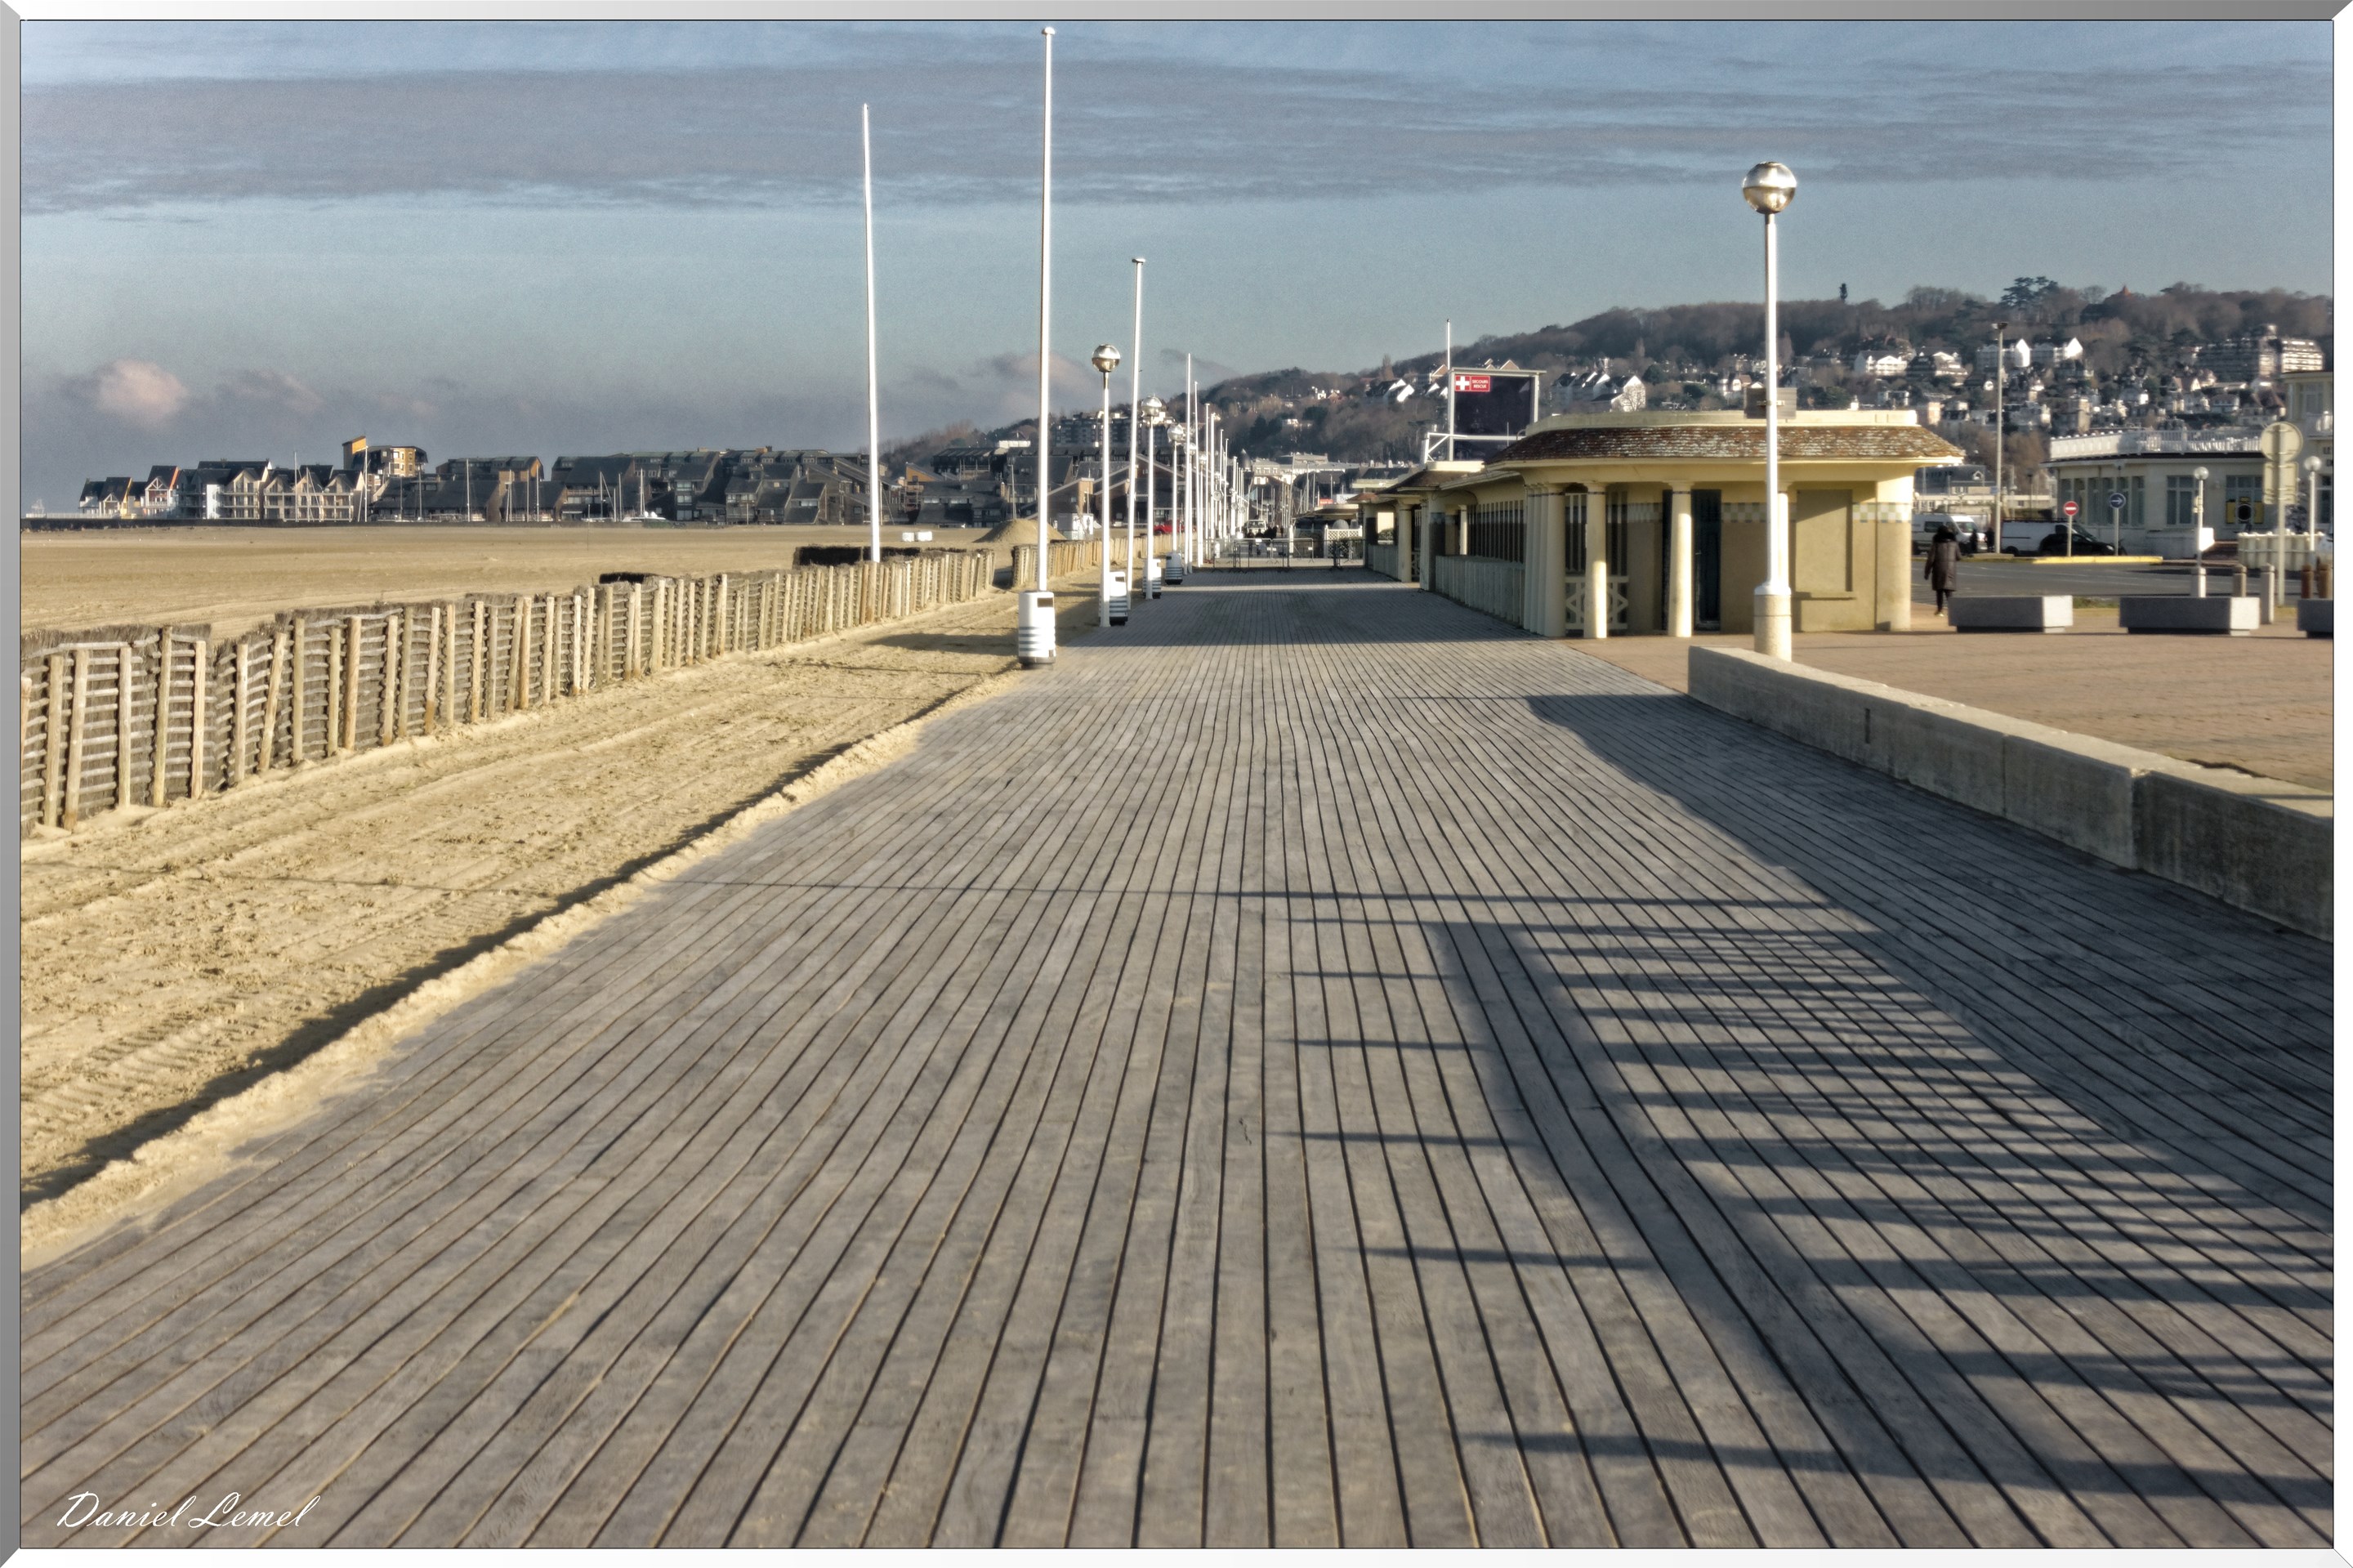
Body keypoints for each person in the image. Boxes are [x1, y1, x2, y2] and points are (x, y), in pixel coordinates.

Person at [1925, 523, 1961, 616]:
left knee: (1939, 591)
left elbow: (1931, 559)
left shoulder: (1936, 544)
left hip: (1938, 569)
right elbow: (1959, 557)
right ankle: (1953, 611)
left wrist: (1927, 572)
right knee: (1949, 592)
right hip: (1951, 569)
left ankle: (1940, 611)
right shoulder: (1954, 544)